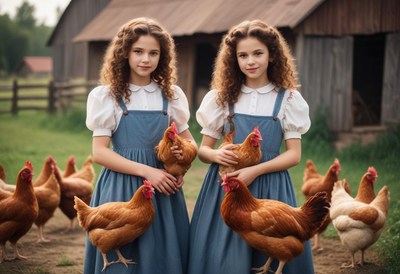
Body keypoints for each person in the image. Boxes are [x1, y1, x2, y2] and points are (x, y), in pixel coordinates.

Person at [188, 19, 313, 274]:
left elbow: (294, 155)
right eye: (242, 55)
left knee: (273, 247)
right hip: (227, 188)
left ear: (272, 55)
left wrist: (255, 170)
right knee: (224, 256)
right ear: (234, 59)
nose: (250, 61)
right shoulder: (221, 98)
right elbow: (202, 151)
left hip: (271, 185)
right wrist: (215, 154)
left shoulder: (287, 99)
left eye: (258, 53)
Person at [84, 17, 196, 274]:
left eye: (153, 53)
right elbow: (100, 153)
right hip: (122, 186)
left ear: (162, 56)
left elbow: (190, 142)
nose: (146, 59)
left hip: (164, 188)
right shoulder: (108, 96)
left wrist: (181, 164)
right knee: (121, 251)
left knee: (160, 253)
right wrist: (148, 172)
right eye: (138, 51)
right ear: (124, 53)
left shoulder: (171, 95)